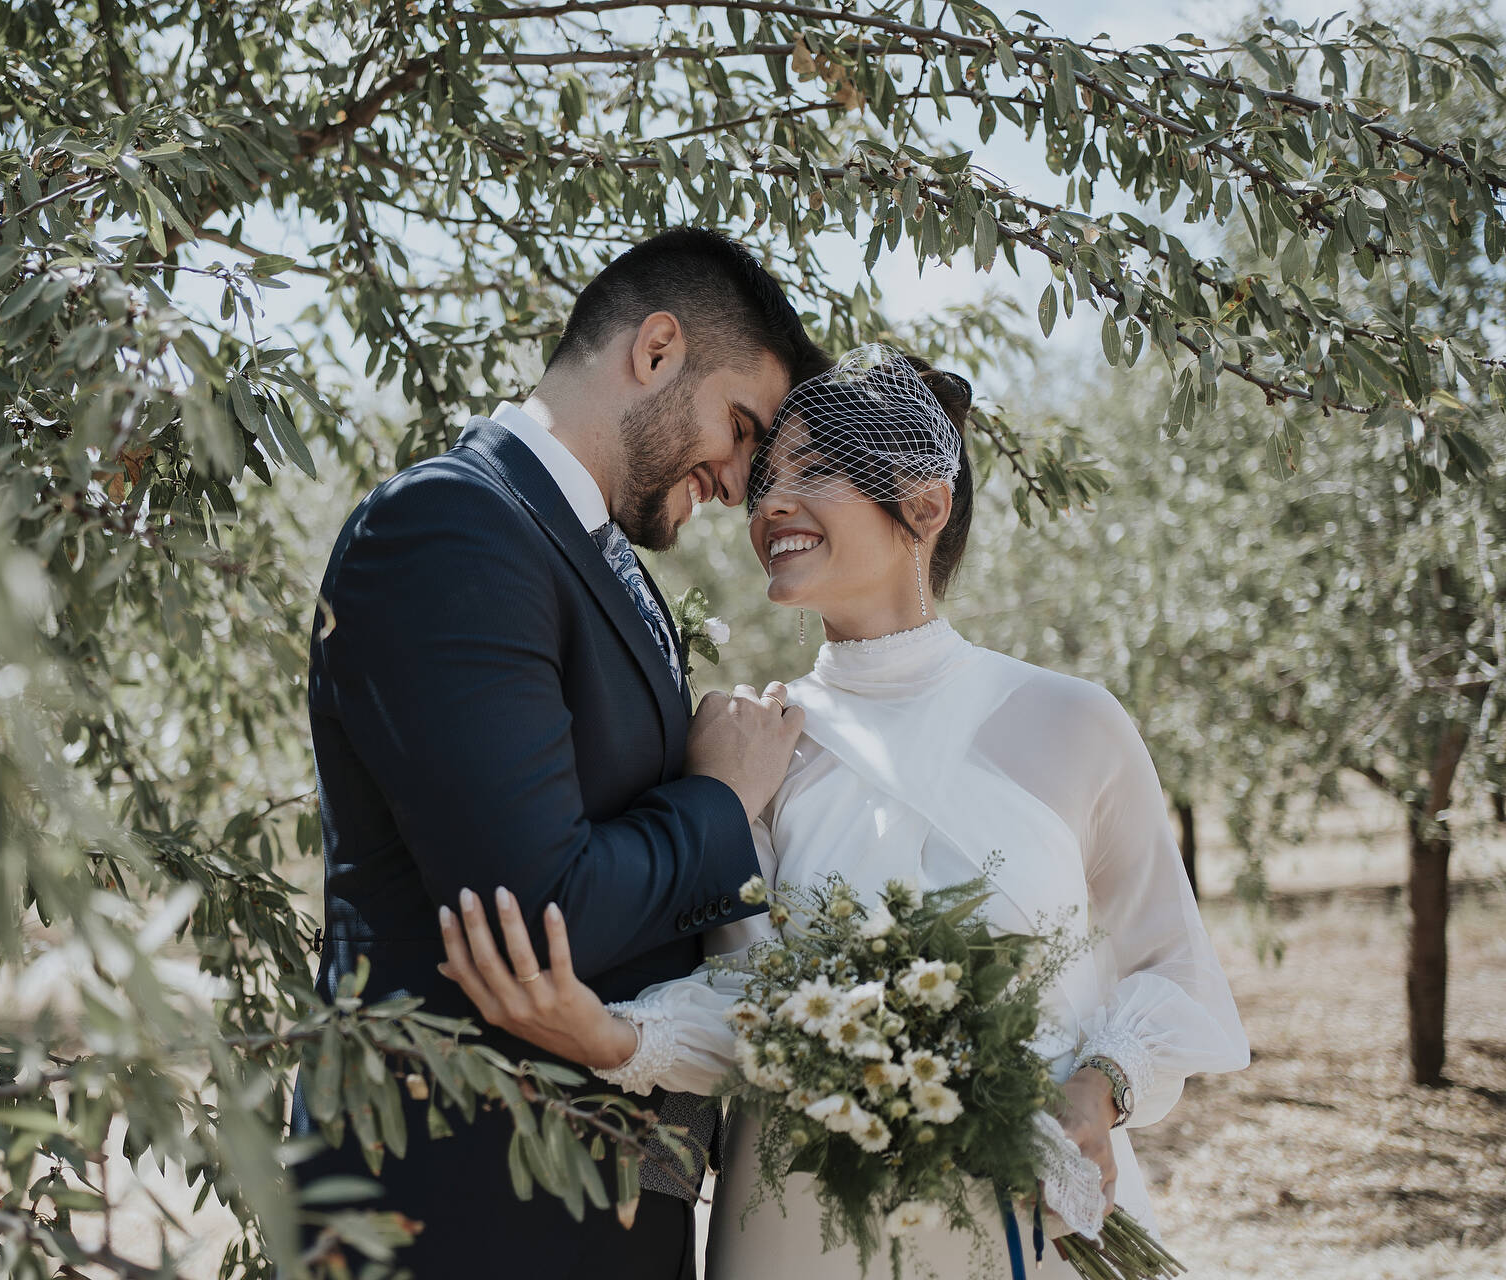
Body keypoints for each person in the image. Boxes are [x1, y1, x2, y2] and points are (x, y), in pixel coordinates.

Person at [436, 346, 1251, 1278]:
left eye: (814, 471)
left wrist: (1094, 1096)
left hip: (1036, 1221)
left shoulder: (1074, 723)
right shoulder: (755, 748)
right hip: (802, 1230)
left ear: (926, 505)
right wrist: (615, 1039)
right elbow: (753, 1012)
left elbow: (1172, 972)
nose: (770, 503)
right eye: (765, 481)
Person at [294, 227, 834, 1280]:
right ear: (657, 349)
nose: (738, 481)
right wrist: (719, 798)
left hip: (590, 1204)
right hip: (457, 1201)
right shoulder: (450, 526)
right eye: (741, 428)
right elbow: (537, 906)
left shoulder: (592, 560)